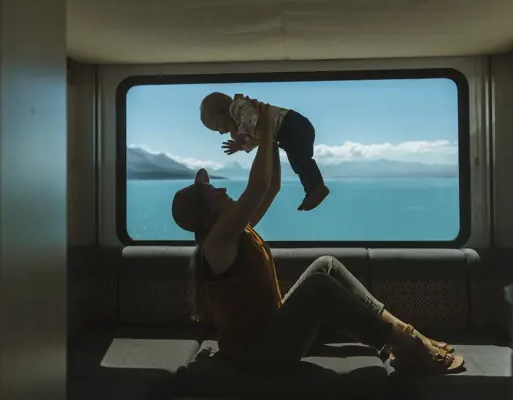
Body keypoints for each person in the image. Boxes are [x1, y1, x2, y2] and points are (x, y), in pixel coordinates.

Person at [172, 104, 464, 374]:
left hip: (272, 331)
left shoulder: (235, 232)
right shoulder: (217, 244)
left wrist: (270, 137)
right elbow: (258, 187)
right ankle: (407, 347)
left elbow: (271, 187)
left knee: (326, 265)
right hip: (257, 354)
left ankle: (403, 332)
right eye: (215, 193)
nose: (223, 191)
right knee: (319, 287)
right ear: (207, 214)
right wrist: (267, 127)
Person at [199, 91, 329, 211]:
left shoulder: (237, 107)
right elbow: (258, 139)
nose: (221, 132)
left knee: (301, 160)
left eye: (217, 127)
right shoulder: (241, 123)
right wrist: (242, 145)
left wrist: (243, 135)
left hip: (292, 125)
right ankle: (311, 190)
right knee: (297, 163)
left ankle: (318, 187)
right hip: (288, 131)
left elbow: (251, 115)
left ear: (223, 112)